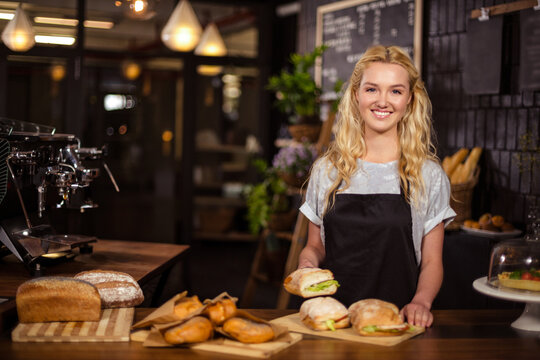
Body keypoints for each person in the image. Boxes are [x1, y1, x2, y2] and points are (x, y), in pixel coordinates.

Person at [297, 45, 456, 328]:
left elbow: (432, 261)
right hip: (334, 320)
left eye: (395, 91)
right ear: (356, 95)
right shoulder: (328, 170)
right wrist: (307, 265)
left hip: (397, 321)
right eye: (372, 89)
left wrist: (421, 301)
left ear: (409, 100)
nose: (383, 101)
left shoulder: (427, 175)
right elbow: (314, 246)